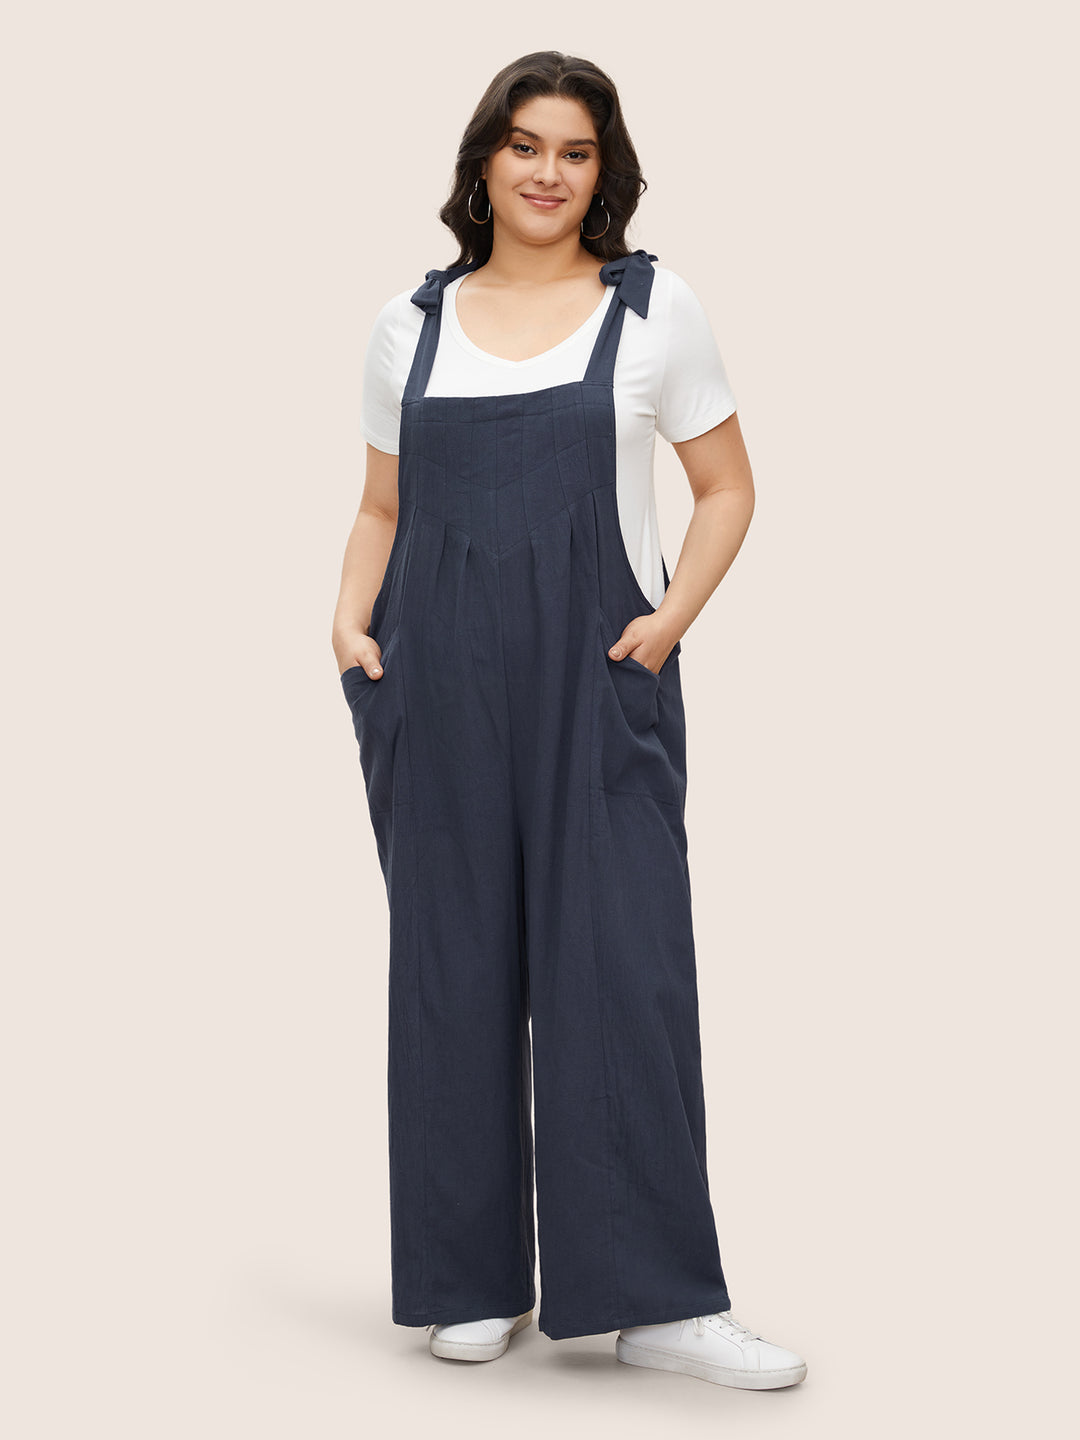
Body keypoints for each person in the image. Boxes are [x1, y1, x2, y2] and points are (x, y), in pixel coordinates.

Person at [331, 50, 808, 1391]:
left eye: (576, 151)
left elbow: (726, 487)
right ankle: (470, 1279)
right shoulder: (408, 325)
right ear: (484, 161)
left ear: (605, 172)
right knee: (452, 968)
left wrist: (669, 620)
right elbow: (380, 505)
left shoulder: (653, 311)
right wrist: (349, 623)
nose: (548, 172)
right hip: (434, 679)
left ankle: (657, 1302)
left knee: (622, 969)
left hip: (598, 674)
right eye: (526, 145)